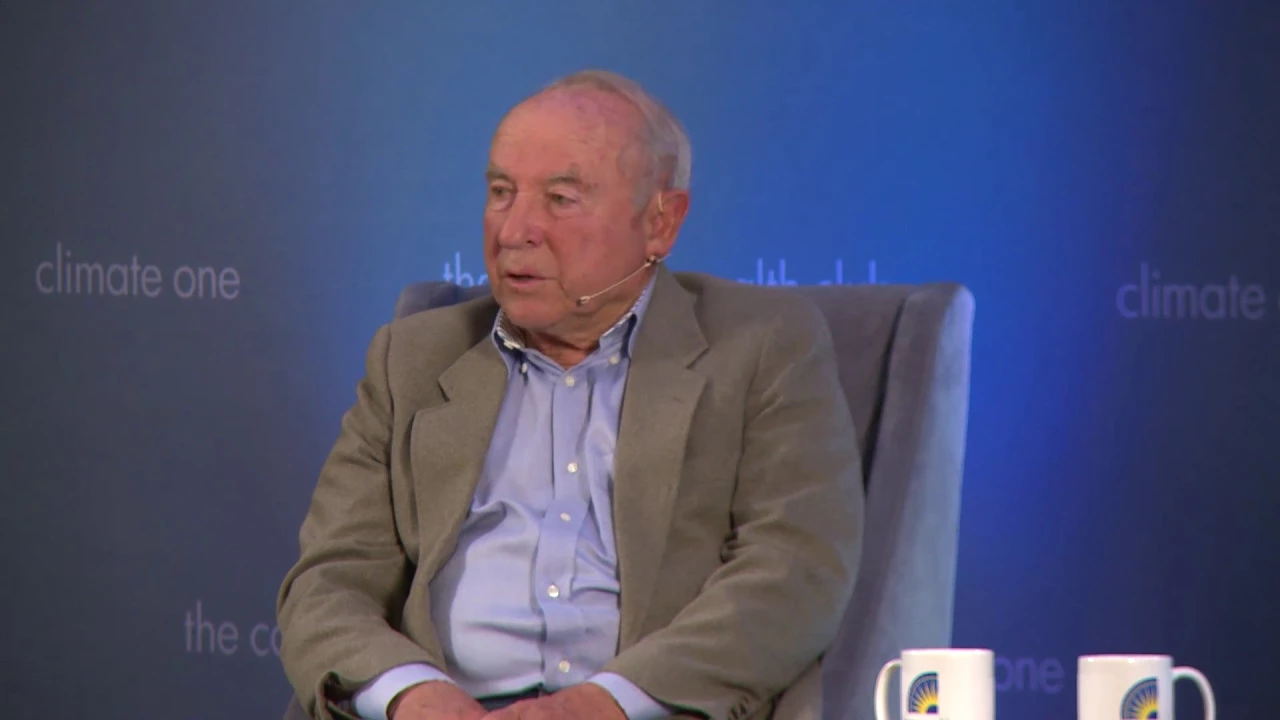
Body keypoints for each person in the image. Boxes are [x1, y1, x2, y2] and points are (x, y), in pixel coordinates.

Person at [277, 69, 864, 720]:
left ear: (661, 222)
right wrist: (410, 695)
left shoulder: (762, 348)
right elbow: (328, 583)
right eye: (501, 192)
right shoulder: (413, 359)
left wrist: (600, 705)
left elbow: (795, 570)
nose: (514, 230)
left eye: (560, 199)